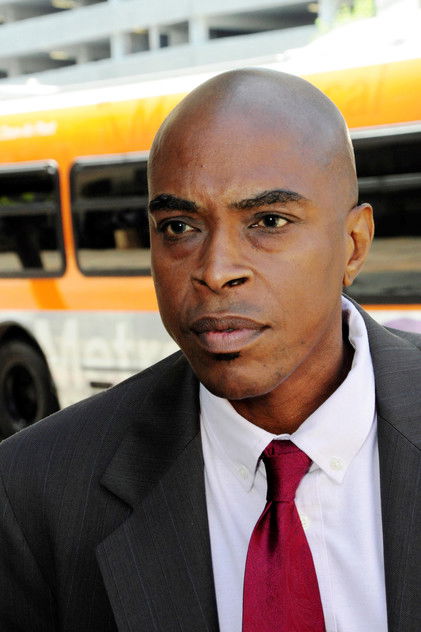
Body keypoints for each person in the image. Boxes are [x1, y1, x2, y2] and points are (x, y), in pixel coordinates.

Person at [0, 68, 420, 632]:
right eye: (178, 227)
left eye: (268, 221)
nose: (216, 271)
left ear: (353, 245)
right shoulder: (35, 492)